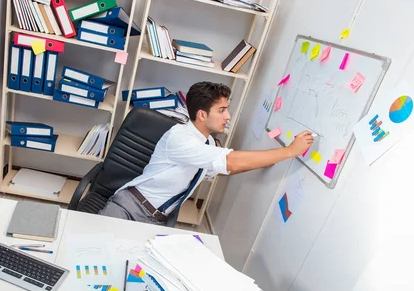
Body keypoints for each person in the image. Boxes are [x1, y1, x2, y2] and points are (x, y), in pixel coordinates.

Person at [98, 81, 314, 225]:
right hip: (128, 208)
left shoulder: (207, 142)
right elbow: (230, 162)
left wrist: (266, 160)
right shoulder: (181, 139)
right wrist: (288, 151)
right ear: (202, 114)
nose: (228, 116)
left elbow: (222, 169)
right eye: (222, 110)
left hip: (157, 218)